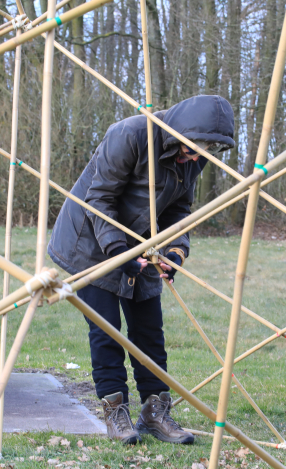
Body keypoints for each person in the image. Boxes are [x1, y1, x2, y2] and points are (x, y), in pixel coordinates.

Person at [48, 95, 235, 444]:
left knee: (149, 330)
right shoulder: (130, 134)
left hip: (143, 242)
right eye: (193, 148)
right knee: (106, 331)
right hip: (91, 242)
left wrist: (175, 252)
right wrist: (118, 250)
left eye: (205, 151)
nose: (195, 157)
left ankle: (154, 412)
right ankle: (115, 411)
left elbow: (179, 209)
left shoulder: (194, 156)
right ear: (181, 131)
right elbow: (99, 198)